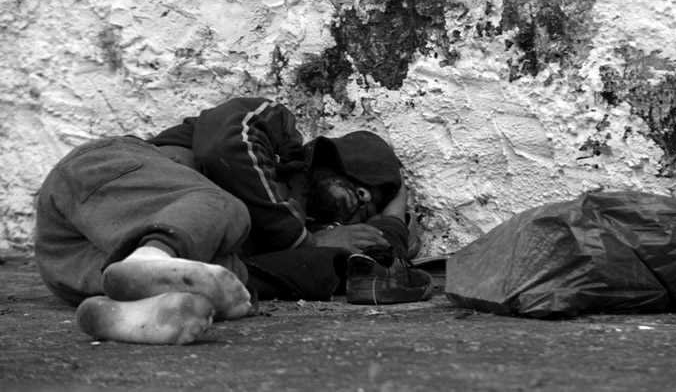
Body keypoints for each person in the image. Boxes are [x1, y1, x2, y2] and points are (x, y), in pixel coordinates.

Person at [34, 97, 428, 345]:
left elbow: (349, 262)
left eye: (367, 206)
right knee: (225, 208)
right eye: (361, 186)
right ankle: (149, 259)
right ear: (327, 159)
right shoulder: (274, 135)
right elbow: (223, 143)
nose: (358, 203)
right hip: (96, 178)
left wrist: (392, 221)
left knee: (232, 278)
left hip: (75, 262)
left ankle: (129, 316)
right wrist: (303, 241)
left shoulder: (289, 230)